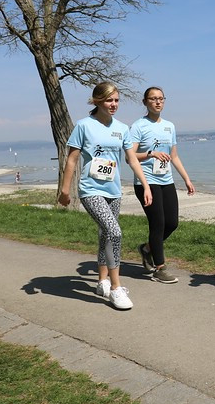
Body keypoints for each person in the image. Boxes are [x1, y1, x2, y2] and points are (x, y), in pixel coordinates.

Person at [58, 82, 152, 311]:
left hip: (113, 191)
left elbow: (131, 159)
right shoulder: (84, 126)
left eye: (117, 100)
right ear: (97, 101)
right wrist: (65, 190)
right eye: (110, 100)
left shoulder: (122, 128)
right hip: (90, 190)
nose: (114, 105)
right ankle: (116, 288)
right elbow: (72, 159)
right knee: (115, 232)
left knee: (105, 236)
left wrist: (146, 185)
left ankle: (102, 281)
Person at [128, 86, 196, 284]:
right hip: (146, 181)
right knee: (157, 223)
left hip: (166, 180)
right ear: (145, 102)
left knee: (172, 223)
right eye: (153, 99)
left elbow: (174, 156)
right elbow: (130, 156)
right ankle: (160, 268)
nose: (157, 102)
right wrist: (150, 153)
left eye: (161, 99)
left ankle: (147, 248)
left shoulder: (169, 126)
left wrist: (187, 179)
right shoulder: (138, 126)